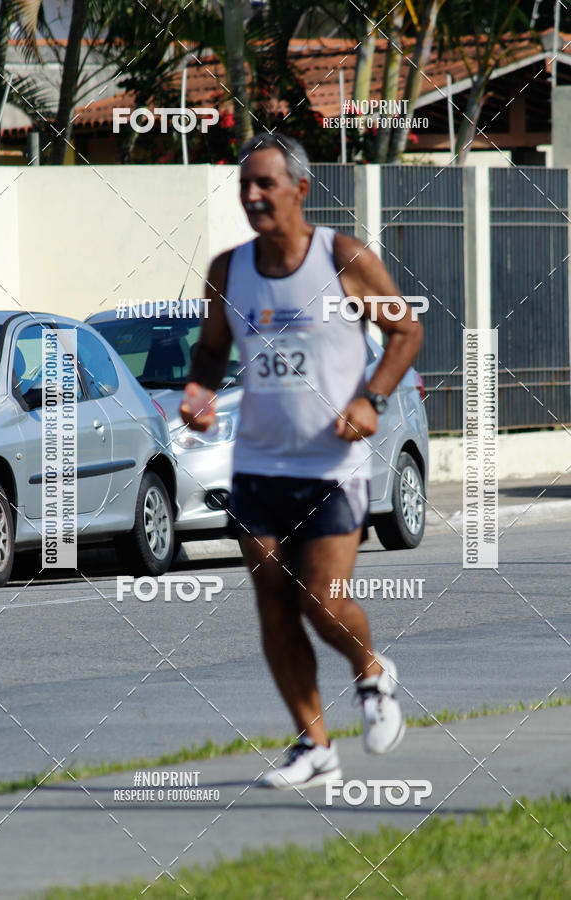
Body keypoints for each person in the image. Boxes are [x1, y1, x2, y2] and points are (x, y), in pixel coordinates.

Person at [180, 133, 423, 790]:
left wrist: (372, 399)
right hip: (258, 464)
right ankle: (314, 746)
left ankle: (371, 672)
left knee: (322, 598)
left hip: (330, 465)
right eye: (245, 185)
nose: (253, 196)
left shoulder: (341, 259)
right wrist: (199, 391)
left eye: (266, 183)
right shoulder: (229, 270)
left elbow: (406, 330)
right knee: (273, 604)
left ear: (300, 189)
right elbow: (211, 349)